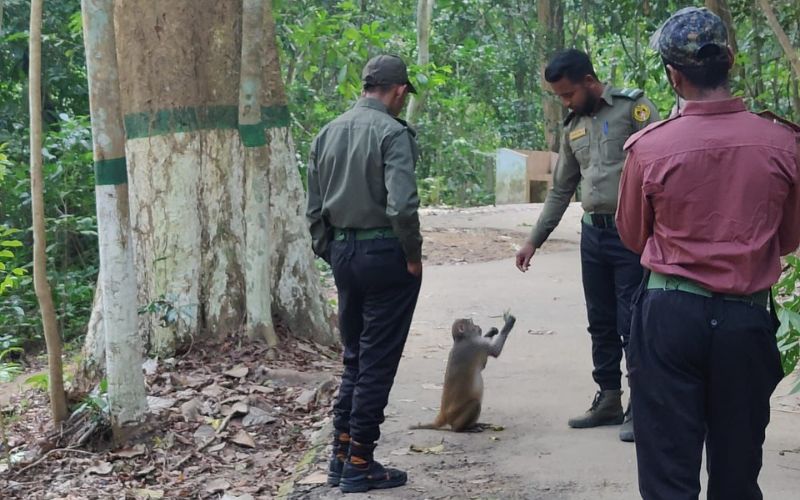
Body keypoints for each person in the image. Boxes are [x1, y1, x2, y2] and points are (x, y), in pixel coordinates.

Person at [617, 7, 800, 499]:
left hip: (669, 318)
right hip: (745, 321)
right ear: (732, 61)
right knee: (738, 472)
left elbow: (635, 236)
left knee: (667, 470)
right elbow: (789, 239)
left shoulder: (649, 148)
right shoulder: (783, 143)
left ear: (673, 76)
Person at [515, 49, 659, 442]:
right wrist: (533, 240)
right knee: (600, 321)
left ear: (590, 81)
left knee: (634, 322)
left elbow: (664, 167)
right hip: (593, 235)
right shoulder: (573, 126)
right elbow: (562, 189)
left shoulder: (635, 109)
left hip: (631, 232)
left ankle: (641, 406)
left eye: (567, 94)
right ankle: (609, 398)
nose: (564, 102)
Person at [306, 54, 423, 493]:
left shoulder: (326, 133)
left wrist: (332, 251)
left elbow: (314, 211)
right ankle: (359, 462)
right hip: (385, 254)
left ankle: (340, 455)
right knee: (377, 360)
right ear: (397, 92)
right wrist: (412, 255)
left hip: (343, 253)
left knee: (355, 356)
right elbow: (402, 206)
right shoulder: (393, 133)